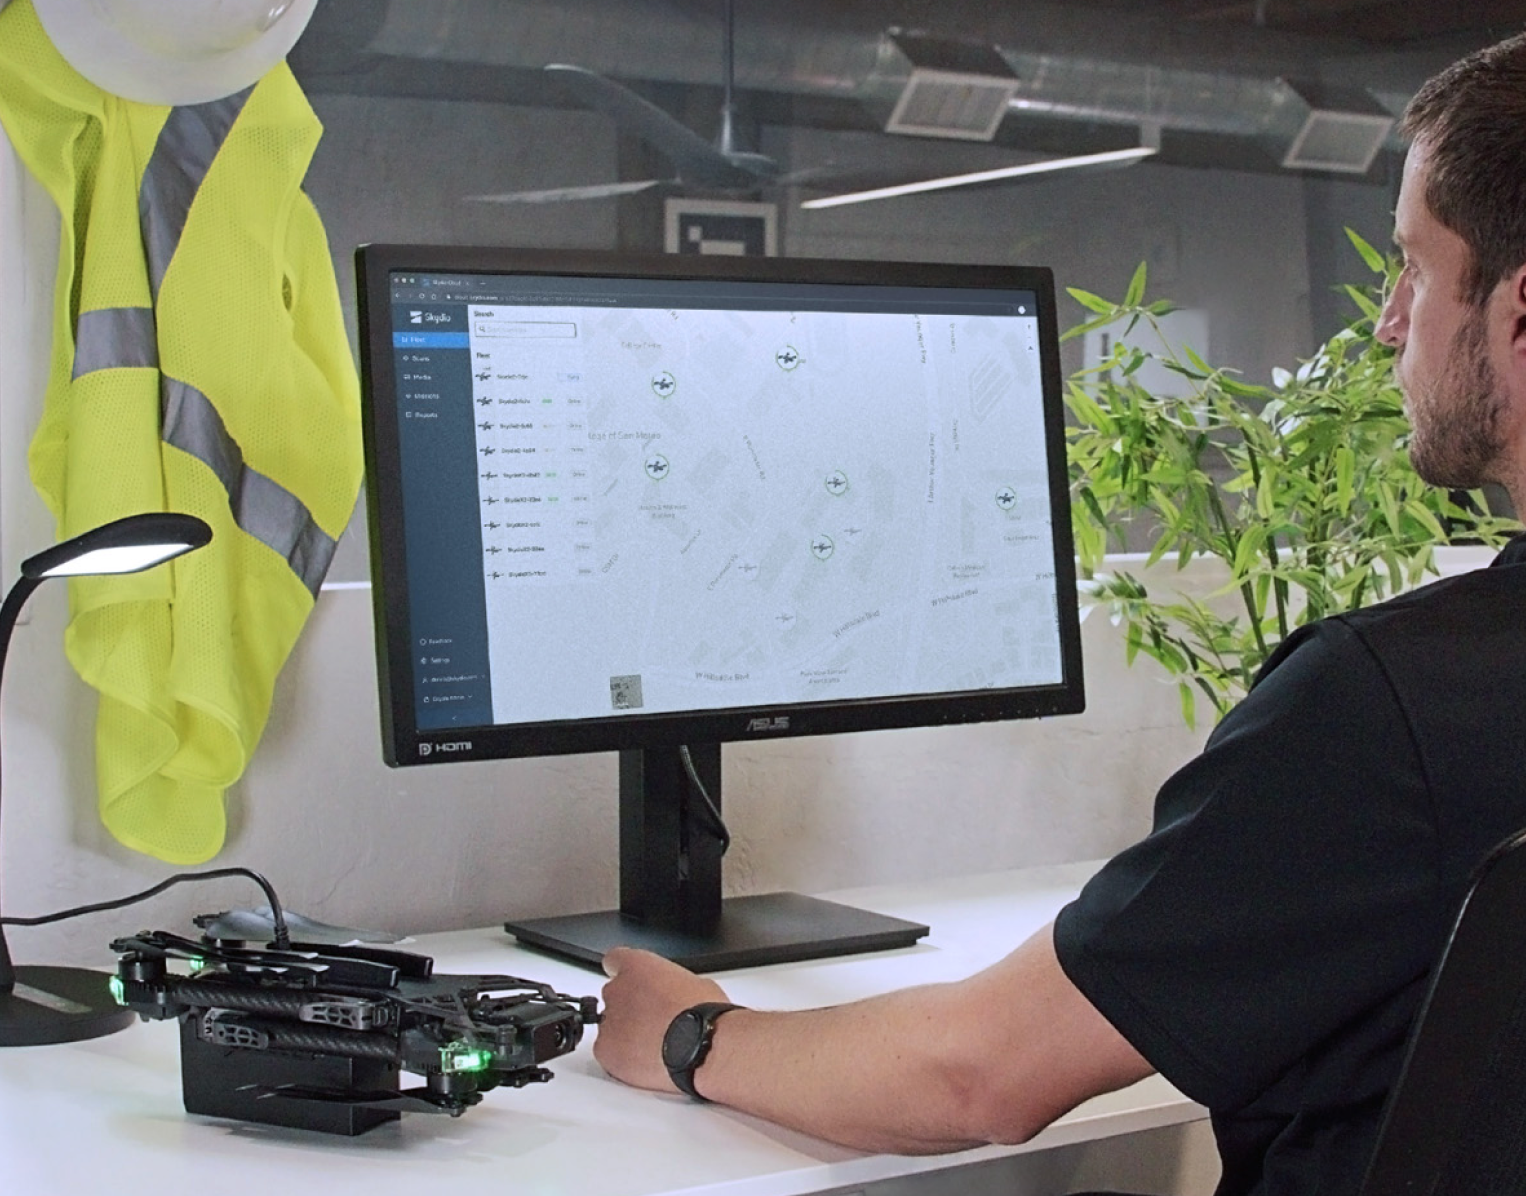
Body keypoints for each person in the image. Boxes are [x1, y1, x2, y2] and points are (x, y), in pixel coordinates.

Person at [592, 32, 1526, 1196]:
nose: (1389, 321)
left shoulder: (1389, 713)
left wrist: (693, 1036)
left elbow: (975, 1075)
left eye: (1415, 268)